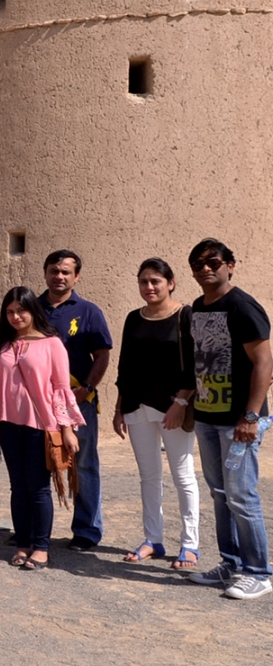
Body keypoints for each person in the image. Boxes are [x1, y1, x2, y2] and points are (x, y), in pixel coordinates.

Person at [184, 238, 273, 599]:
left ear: (230, 265)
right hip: (208, 417)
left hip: (239, 421)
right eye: (199, 263)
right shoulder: (197, 307)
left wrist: (251, 417)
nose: (206, 268)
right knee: (220, 494)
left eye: (214, 262)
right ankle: (231, 564)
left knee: (241, 495)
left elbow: (265, 363)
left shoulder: (242, 306)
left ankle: (259, 572)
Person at [0, 286, 84, 571]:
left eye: (21, 310)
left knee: (38, 489)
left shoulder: (52, 344)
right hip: (8, 426)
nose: (15, 317)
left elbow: (61, 389)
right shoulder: (4, 344)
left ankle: (41, 547)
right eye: (10, 312)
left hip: (40, 425)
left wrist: (67, 429)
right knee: (17, 487)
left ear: (33, 310)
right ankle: (22, 543)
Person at [112, 258, 200, 569]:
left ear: (170, 283)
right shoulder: (133, 318)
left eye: (155, 281)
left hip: (173, 408)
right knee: (149, 476)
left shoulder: (185, 316)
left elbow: (194, 365)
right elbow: (125, 365)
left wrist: (181, 403)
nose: (149, 287)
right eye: (143, 281)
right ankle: (153, 539)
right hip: (137, 406)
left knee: (182, 475)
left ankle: (190, 545)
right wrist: (119, 408)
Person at [39, 249, 113, 551]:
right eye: (54, 271)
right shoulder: (31, 308)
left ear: (76, 276)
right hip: (38, 401)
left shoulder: (88, 311)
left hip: (76, 400)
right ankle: (33, 527)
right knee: (36, 464)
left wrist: (86, 388)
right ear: (45, 272)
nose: (59, 276)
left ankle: (86, 530)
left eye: (66, 272)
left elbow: (102, 355)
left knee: (83, 463)